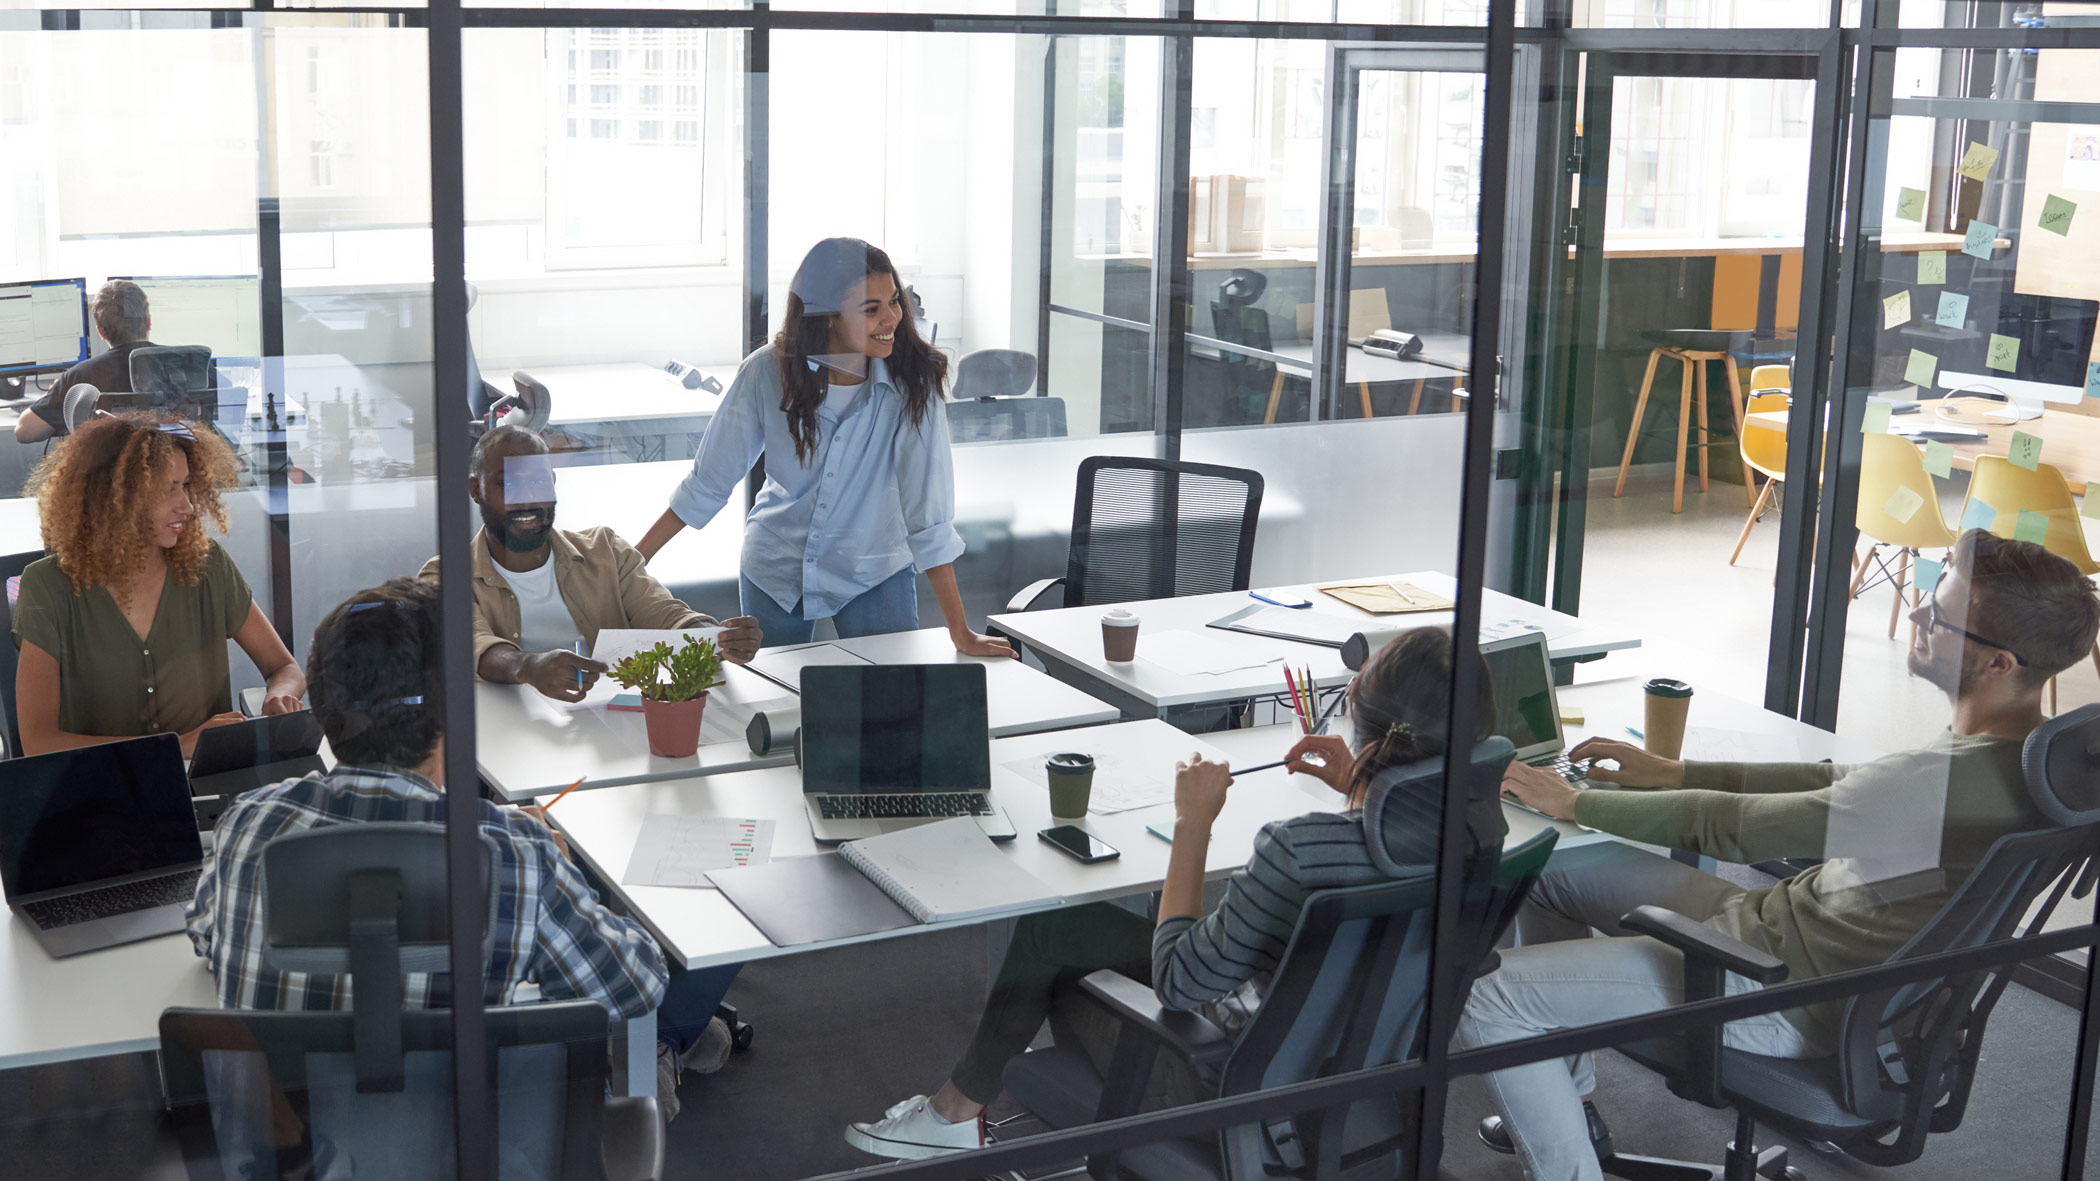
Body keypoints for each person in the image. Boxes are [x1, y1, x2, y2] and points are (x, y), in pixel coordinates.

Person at [1472, 529, 2100, 1181]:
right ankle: (1566, 1100)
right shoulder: (2017, 761)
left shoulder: (1940, 784)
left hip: (1777, 990)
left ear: (1999, 663)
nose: (1914, 615)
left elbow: (1742, 830)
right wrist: (1673, 770)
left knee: (1488, 996)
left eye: (1938, 616)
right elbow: (1835, 786)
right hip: (1785, 934)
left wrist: (1575, 804)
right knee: (1545, 868)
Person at [842, 627, 1505, 1159]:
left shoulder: (1301, 849)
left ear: (1363, 724)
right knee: (1064, 929)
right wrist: (1362, 792)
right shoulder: (1479, 837)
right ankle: (955, 1110)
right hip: (1363, 1081)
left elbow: (1180, 981)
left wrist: (1193, 825)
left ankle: (954, 1113)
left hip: (1228, 1085)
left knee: (1050, 941)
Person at [187, 578, 742, 1125]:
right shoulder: (511, 856)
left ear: (325, 711)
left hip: (290, 1157)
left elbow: (206, 934)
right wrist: (553, 868)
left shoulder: (247, 824)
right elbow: (633, 988)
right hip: (466, 1151)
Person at [634, 237, 1013, 657]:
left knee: (893, 700)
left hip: (874, 568)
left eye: (894, 301)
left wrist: (960, 632)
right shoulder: (766, 371)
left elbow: (929, 516)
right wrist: (631, 565)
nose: (891, 318)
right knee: (776, 703)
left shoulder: (913, 384)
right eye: (871, 309)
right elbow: (708, 483)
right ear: (828, 316)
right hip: (777, 568)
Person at [13, 413, 304, 757]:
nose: (189, 506)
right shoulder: (46, 586)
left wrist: (278, 696)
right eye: (168, 491)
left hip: (202, 790)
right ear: (115, 498)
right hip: (100, 796)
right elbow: (38, 742)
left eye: (185, 485)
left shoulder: (208, 565)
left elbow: (284, 667)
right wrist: (174, 748)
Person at [418, 425, 762, 702]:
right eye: (507, 483)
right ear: (475, 490)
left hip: (613, 729)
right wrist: (529, 666)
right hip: (511, 740)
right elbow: (470, 643)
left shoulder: (605, 550)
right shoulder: (445, 575)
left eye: (538, 480)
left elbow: (664, 614)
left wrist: (715, 638)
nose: (528, 499)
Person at [18, 280, 155, 444]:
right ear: (148, 322)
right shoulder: (185, 363)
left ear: (100, 332)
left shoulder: (80, 376)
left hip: (110, 469)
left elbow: (24, 432)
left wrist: (57, 393)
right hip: (176, 467)